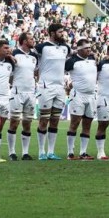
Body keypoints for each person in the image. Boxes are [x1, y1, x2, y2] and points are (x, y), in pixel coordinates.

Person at [35, 23, 72, 160]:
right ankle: (41, 152)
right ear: (51, 33)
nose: (63, 34)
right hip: (46, 87)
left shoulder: (65, 48)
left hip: (60, 88)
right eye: (60, 32)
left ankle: (51, 151)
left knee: (55, 120)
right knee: (44, 120)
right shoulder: (41, 47)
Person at [8, 32, 39, 161]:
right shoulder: (14, 54)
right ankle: (12, 152)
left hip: (31, 93)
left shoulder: (34, 56)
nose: (33, 41)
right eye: (31, 39)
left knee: (27, 123)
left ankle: (25, 153)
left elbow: (36, 72)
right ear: (24, 41)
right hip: (17, 92)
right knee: (14, 122)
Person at [64, 39, 97, 160]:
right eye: (86, 48)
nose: (89, 50)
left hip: (91, 95)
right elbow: (61, 71)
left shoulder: (93, 60)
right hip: (78, 95)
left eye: (89, 47)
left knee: (87, 124)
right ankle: (70, 152)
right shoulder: (72, 61)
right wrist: (68, 84)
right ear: (79, 49)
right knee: (75, 123)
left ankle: (83, 152)